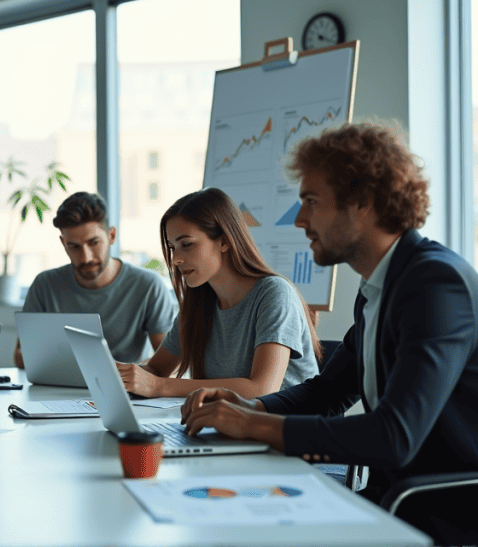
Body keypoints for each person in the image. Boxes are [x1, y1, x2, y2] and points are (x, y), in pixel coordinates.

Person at [181, 123, 478, 543]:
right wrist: (251, 407)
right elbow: (328, 393)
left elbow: (395, 437)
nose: (300, 219)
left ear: (363, 203)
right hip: (392, 498)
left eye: (312, 202)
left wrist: (253, 425)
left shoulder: (434, 285)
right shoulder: (379, 286)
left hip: (439, 510)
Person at [116, 187, 322, 399]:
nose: (176, 259)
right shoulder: (197, 304)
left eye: (186, 244)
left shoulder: (274, 294)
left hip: (286, 427)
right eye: (172, 247)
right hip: (230, 425)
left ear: (224, 241)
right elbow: (157, 371)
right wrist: (122, 374)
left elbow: (261, 389)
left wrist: (159, 386)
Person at [14, 191, 176, 368]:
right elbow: (21, 356)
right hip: (58, 391)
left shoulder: (149, 286)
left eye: (94, 242)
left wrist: (121, 373)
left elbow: (169, 363)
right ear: (63, 243)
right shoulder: (44, 285)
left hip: (127, 390)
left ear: (111, 236)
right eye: (74, 246)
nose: (86, 258)